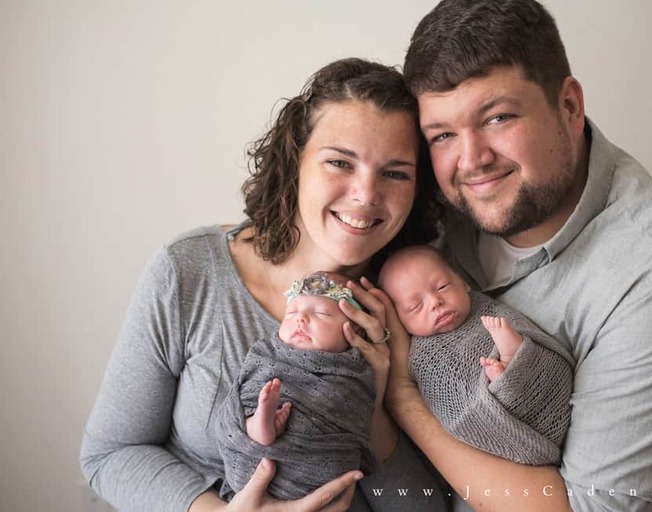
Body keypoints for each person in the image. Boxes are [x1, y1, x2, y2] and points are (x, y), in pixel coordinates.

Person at [383, 1, 652, 511]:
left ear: (569, 106)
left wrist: (403, 400)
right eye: (443, 135)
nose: (472, 160)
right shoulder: (435, 210)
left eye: (498, 117)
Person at [80, 57, 447, 512]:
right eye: (339, 162)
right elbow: (109, 455)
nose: (366, 194)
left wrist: (371, 405)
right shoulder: (190, 270)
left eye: (395, 173)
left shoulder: (419, 305)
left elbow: (426, 508)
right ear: (296, 163)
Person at [377, 245, 573, 466]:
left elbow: (537, 343)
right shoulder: (421, 358)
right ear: (399, 320)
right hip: (502, 422)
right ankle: (505, 373)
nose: (435, 302)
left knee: (515, 340)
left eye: (442, 287)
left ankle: (513, 361)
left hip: (549, 391)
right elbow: (456, 412)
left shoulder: (485, 307)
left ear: (463, 282)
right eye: (415, 306)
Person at [217, 271, 378, 501]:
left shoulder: (354, 373)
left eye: (321, 313)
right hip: (246, 465)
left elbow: (354, 413)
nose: (300, 319)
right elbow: (248, 383)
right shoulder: (267, 353)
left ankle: (268, 425)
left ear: (355, 330)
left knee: (313, 412)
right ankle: (259, 423)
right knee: (252, 404)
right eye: (291, 312)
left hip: (314, 473)